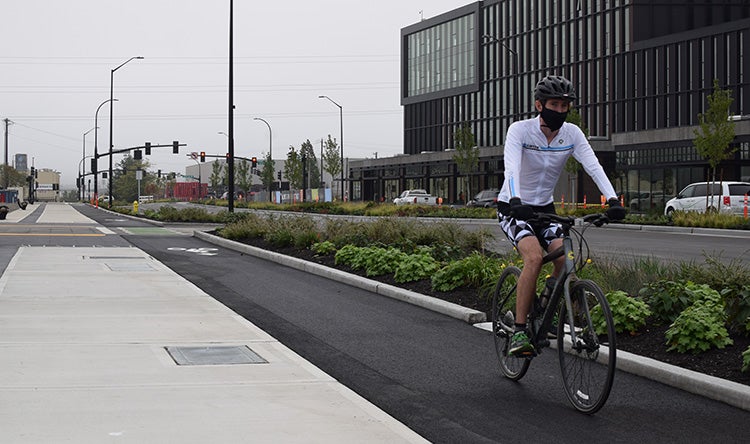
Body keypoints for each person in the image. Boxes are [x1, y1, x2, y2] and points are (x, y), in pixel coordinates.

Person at [496, 75, 626, 357]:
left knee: (564, 259)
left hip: (544, 208)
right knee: (532, 258)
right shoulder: (520, 130)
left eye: (565, 105)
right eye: (554, 104)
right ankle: (519, 330)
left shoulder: (573, 134)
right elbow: (511, 167)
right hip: (514, 206)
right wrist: (516, 199)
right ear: (539, 105)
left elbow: (593, 165)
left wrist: (613, 199)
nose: (560, 110)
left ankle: (544, 305)